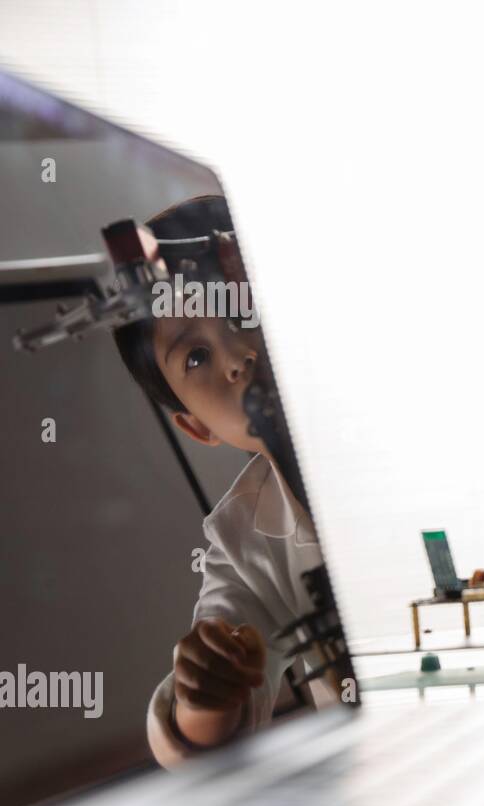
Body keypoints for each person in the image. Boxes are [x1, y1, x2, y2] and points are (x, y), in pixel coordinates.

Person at [113, 194, 332, 766]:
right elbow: (203, 725)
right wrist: (205, 702)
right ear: (196, 426)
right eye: (195, 356)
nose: (237, 357)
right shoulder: (243, 539)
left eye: (244, 310)